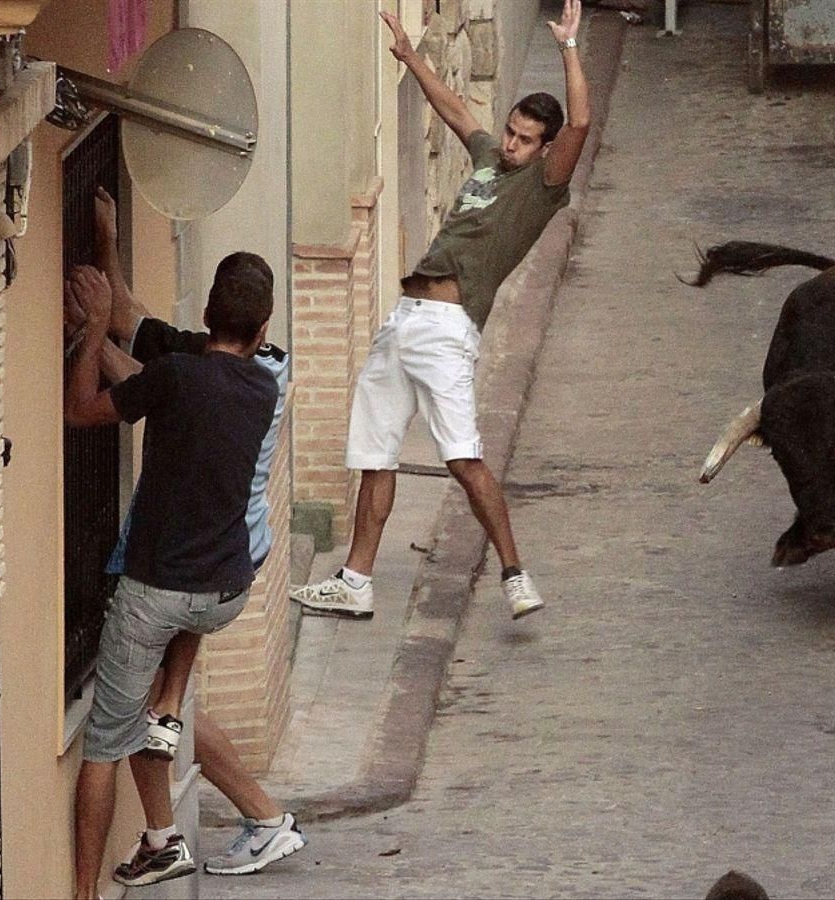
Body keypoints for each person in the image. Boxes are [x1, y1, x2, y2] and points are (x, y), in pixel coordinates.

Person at [290, 0, 591, 621]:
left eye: (525, 139)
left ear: (546, 149)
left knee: (462, 459)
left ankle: (515, 574)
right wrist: (409, 55)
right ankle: (355, 581)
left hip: (446, 331)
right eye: (510, 131)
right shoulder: (489, 159)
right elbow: (454, 110)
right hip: (402, 324)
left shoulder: (541, 189)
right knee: (375, 454)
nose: (510, 144)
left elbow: (582, 124)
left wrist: (567, 46)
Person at [61, 186, 308, 880]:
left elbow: (84, 409)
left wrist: (89, 331)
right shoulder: (266, 382)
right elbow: (144, 343)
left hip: (159, 591)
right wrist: (112, 265)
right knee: (149, 707)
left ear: (204, 315)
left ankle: (85, 892)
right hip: (226, 587)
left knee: (105, 744)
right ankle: (166, 824)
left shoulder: (175, 379)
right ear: (261, 330)